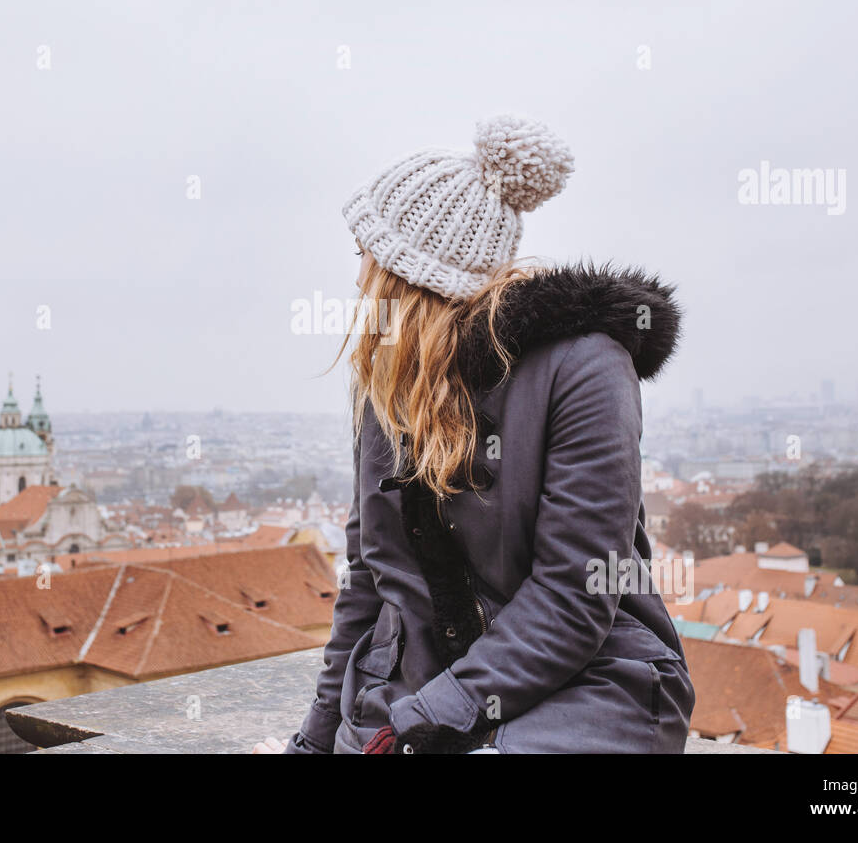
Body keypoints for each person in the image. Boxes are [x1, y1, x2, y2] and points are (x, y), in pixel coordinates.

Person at [256, 115, 694, 754]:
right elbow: (368, 582)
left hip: (584, 689)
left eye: (366, 257)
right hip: (413, 690)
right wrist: (315, 739)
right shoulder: (385, 383)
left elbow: (576, 595)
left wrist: (427, 720)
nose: (357, 279)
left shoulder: (585, 366)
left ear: (411, 274)